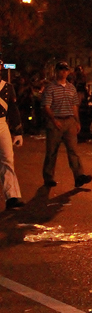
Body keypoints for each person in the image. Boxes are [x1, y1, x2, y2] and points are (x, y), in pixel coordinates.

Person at [41, 61, 91, 188]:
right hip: (55, 120)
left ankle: (79, 176)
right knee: (52, 151)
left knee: (73, 150)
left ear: (68, 72)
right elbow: (46, 106)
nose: (63, 72)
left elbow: (74, 106)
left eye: (65, 69)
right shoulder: (50, 87)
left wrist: (77, 121)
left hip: (69, 121)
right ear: (57, 71)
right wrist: (53, 120)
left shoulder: (71, 88)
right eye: (61, 69)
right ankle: (48, 177)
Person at [0, 66, 25, 210]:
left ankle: (12, 196)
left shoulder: (7, 87)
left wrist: (18, 131)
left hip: (2, 123)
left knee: (8, 159)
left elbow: (13, 109)